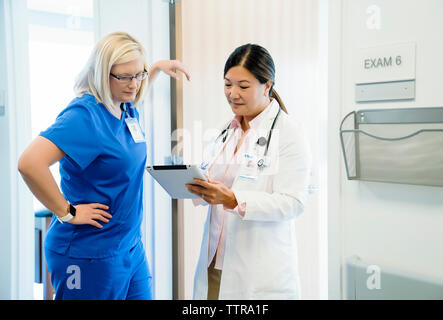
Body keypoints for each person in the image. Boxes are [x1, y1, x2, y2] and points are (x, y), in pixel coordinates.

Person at [18, 32, 190, 300]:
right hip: (88, 253)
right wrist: (67, 212)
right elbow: (29, 163)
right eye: (124, 77)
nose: (133, 84)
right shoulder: (84, 117)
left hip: (129, 247)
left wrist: (155, 69)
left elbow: (136, 91)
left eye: (139, 74)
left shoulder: (124, 106)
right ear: (101, 73)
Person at [186, 44, 312, 300]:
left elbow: (294, 202)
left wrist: (233, 200)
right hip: (215, 262)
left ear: (267, 86)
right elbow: (213, 180)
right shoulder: (226, 131)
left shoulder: (289, 133)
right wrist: (198, 185)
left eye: (243, 86)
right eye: (227, 84)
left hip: (258, 272)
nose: (233, 94)